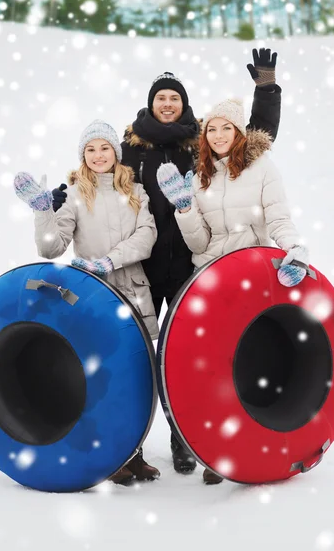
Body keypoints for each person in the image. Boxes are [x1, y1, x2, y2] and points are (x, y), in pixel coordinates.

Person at [118, 48, 282, 475]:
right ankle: (126, 449)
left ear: (184, 104)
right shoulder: (130, 148)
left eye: (174, 97)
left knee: (195, 357)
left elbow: (254, 139)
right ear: (150, 104)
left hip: (195, 266)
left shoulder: (200, 143)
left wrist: (266, 89)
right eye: (161, 98)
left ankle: (184, 441)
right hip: (143, 268)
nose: (167, 104)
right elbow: (98, 178)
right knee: (132, 355)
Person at [156, 98, 309, 484]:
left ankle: (237, 447)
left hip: (251, 279)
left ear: (239, 131)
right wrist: (185, 208)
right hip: (210, 278)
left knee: (245, 363)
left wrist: (294, 247)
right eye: (212, 128)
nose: (219, 135)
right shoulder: (200, 175)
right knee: (209, 370)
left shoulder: (261, 169)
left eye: (227, 127)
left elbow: (278, 216)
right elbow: (198, 243)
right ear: (205, 135)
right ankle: (207, 448)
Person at [13, 119, 160, 485]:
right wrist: (42, 210)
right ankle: (113, 458)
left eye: (104, 148)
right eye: (90, 149)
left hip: (134, 293)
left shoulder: (136, 192)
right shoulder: (75, 195)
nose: (98, 155)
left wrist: (111, 259)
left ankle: (136, 454)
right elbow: (51, 246)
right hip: (96, 298)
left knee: (140, 380)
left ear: (116, 153)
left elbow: (147, 236)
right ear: (83, 155)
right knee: (105, 377)